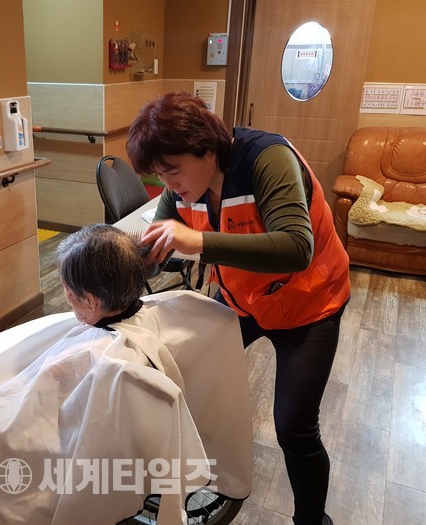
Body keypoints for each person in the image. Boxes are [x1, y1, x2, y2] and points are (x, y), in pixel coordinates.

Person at [0, 223, 253, 525]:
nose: (65, 297)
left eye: (67, 290)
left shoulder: (106, 363)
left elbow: (30, 422)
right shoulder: (170, 309)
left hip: (50, 455)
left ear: (90, 300)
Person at [126, 92, 350, 525]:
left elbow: (297, 247)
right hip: (242, 300)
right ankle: (187, 478)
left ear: (206, 149)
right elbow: (157, 247)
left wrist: (199, 242)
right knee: (178, 373)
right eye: (159, 174)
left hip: (309, 305)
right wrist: (124, 259)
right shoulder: (180, 190)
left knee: (295, 428)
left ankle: (311, 521)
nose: (168, 183)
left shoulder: (268, 159)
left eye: (173, 169)